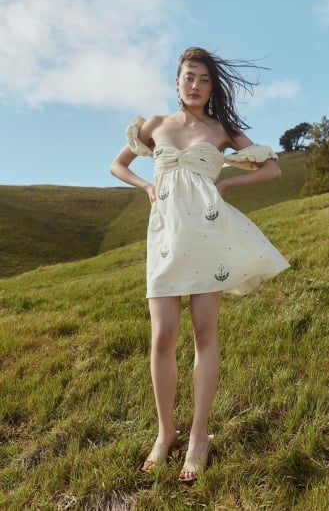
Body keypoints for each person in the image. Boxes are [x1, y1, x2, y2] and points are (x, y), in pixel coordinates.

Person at [110, 47, 289, 481]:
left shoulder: (221, 128)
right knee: (162, 337)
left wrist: (226, 186)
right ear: (177, 82)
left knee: (204, 335)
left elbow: (272, 170)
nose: (196, 85)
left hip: (208, 237)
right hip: (166, 238)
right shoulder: (154, 125)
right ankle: (165, 432)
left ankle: (198, 436)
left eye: (204, 79)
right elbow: (117, 165)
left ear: (212, 88)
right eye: (189, 76)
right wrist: (146, 187)